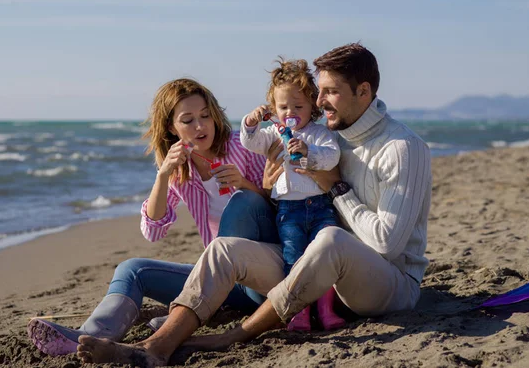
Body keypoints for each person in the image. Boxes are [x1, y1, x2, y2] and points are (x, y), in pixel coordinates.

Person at [76, 43, 432, 368]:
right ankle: (156, 346)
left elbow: (387, 243)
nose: (319, 102)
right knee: (222, 250)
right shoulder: (330, 138)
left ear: (364, 91)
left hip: (387, 285)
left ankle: (236, 333)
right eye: (319, 91)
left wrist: (335, 187)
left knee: (331, 238)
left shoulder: (401, 148)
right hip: (317, 273)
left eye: (330, 92)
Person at [27, 78, 279, 357]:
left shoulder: (243, 146)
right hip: (224, 286)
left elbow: (280, 206)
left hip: (262, 278)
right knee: (133, 269)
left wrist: (245, 184)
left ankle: (171, 326)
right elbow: (153, 231)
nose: (200, 126)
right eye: (189, 120)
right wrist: (163, 175)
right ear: (172, 128)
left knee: (244, 201)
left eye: (206, 116)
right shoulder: (180, 170)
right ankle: (90, 336)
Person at [240, 58, 344, 331]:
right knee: (294, 258)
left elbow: (332, 157)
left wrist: (309, 152)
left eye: (298, 106)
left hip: (320, 206)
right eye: (284, 107)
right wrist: (250, 124)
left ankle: (326, 310)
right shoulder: (274, 133)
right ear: (274, 109)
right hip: (289, 211)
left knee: (322, 257)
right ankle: (298, 311)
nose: (291, 112)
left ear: (312, 106)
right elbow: (251, 143)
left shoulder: (318, 133)